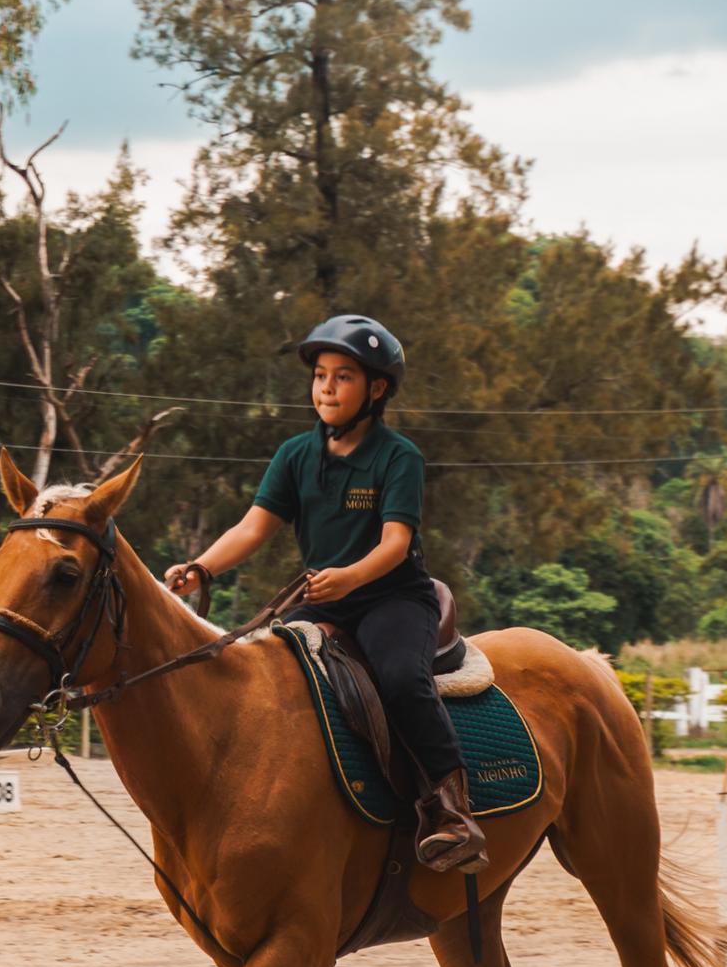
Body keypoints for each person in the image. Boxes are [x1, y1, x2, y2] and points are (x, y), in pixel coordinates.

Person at [165, 314, 488, 873]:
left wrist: (349, 577)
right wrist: (202, 568)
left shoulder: (399, 457)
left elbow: (394, 544)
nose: (327, 388)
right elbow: (253, 527)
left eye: (342, 377)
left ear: (376, 389)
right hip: (326, 599)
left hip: (394, 599)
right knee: (265, 673)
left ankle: (450, 808)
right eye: (320, 376)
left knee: (400, 680)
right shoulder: (294, 455)